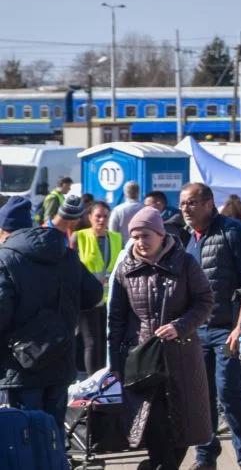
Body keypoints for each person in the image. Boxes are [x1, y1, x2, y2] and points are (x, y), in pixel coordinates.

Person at [109, 207, 215, 470]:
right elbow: (117, 319)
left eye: (145, 235)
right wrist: (114, 364)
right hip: (144, 360)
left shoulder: (185, 263)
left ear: (160, 234)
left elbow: (205, 301)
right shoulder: (126, 269)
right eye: (135, 236)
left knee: (184, 426)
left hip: (182, 356)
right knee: (154, 425)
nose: (140, 242)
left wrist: (181, 326)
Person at [0, 196, 102, 440]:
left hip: (20, 366)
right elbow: (94, 294)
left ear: (4, 230)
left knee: (23, 438)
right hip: (60, 357)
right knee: (53, 437)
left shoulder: (5, 259)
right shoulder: (65, 254)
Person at [180, 182, 241, 470]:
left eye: (190, 203)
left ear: (208, 203)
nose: (185, 209)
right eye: (182, 204)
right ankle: (205, 455)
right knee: (201, 395)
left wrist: (240, 327)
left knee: (228, 390)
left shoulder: (232, 231)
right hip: (197, 330)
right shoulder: (188, 239)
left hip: (227, 328)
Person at [75, 201, 122, 375]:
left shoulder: (116, 238)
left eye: (105, 216)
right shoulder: (79, 237)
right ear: (90, 218)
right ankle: (91, 380)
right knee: (91, 341)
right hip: (87, 299)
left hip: (110, 299)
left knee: (105, 340)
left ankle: (105, 378)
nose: (102, 220)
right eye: (98, 216)